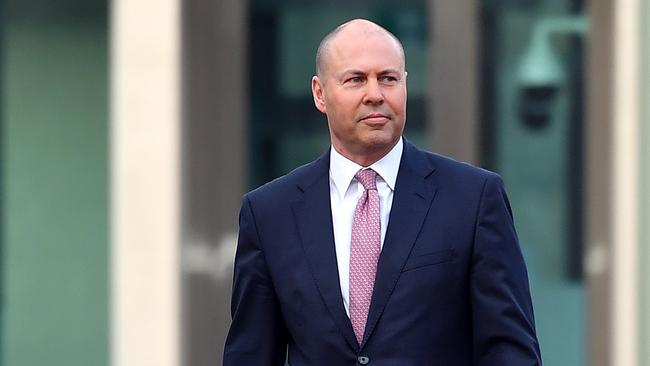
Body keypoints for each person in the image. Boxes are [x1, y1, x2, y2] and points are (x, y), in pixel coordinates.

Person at [223, 18, 541, 365]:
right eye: (355, 79)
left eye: (388, 79)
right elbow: (250, 354)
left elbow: (510, 350)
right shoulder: (270, 213)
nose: (375, 94)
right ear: (320, 93)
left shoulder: (474, 198)